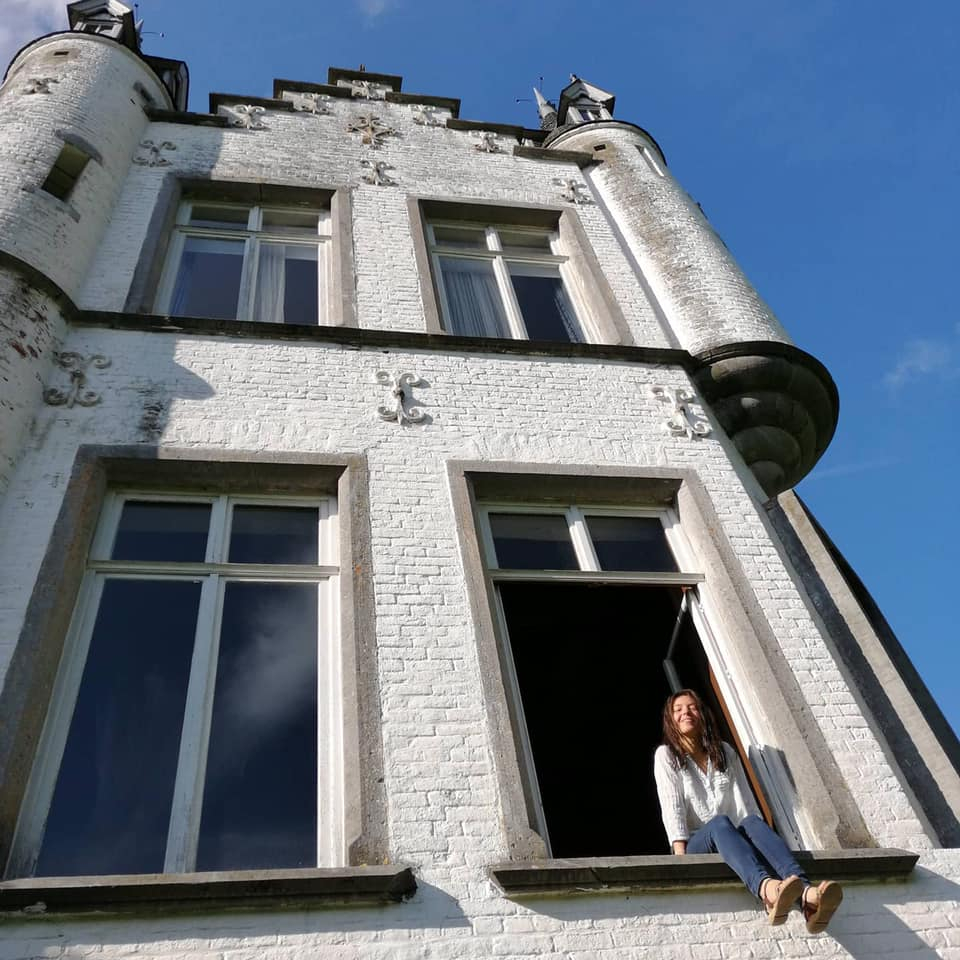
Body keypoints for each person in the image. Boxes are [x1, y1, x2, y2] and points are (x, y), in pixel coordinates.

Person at [653, 689, 842, 933]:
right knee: (720, 823)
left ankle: (808, 895)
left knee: (752, 821)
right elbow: (672, 807)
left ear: (702, 714)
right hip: (695, 844)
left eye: (692, 707)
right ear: (670, 720)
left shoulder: (724, 751)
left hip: (731, 838)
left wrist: (757, 840)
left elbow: (746, 803)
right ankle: (767, 891)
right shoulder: (666, 755)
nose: (685, 713)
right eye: (678, 710)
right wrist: (682, 858)